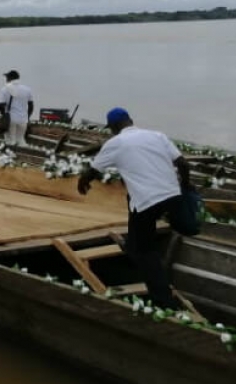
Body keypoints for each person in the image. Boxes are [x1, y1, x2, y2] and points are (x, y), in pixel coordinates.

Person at [77, 107, 201, 310]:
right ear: (130, 120)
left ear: (114, 128)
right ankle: (140, 247)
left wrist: (83, 183)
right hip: (172, 195)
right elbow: (183, 164)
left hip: (147, 203)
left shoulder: (115, 143)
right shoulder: (157, 136)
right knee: (141, 223)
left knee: (143, 251)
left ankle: (164, 300)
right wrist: (186, 186)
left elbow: (92, 171)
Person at [0, 70, 34, 146]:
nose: (6, 79)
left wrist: (4, 115)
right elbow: (31, 105)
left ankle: (11, 156)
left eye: (7, 77)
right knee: (21, 140)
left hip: (11, 119)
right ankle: (23, 155)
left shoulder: (5, 89)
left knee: (10, 141)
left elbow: (1, 105)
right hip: (23, 120)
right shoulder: (27, 89)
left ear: (10, 78)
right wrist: (27, 117)